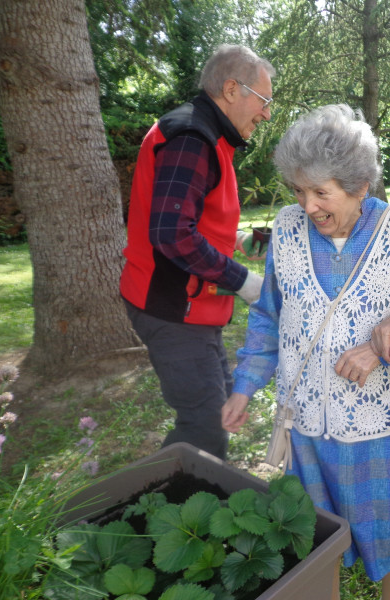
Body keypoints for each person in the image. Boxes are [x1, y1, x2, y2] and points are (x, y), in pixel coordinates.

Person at [221, 104, 390, 600]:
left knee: (387, 530)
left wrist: (385, 348)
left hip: (379, 431)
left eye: (320, 192)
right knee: (314, 537)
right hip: (306, 425)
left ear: (357, 187)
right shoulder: (287, 232)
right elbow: (269, 315)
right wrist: (245, 386)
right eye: (298, 190)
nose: (307, 205)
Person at [120, 44, 275, 460]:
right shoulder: (192, 137)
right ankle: (161, 509)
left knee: (219, 407)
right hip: (172, 310)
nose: (266, 114)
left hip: (193, 308)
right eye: (263, 101)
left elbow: (193, 219)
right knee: (205, 425)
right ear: (230, 89)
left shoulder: (207, 136)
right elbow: (171, 234)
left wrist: (244, 241)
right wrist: (246, 282)